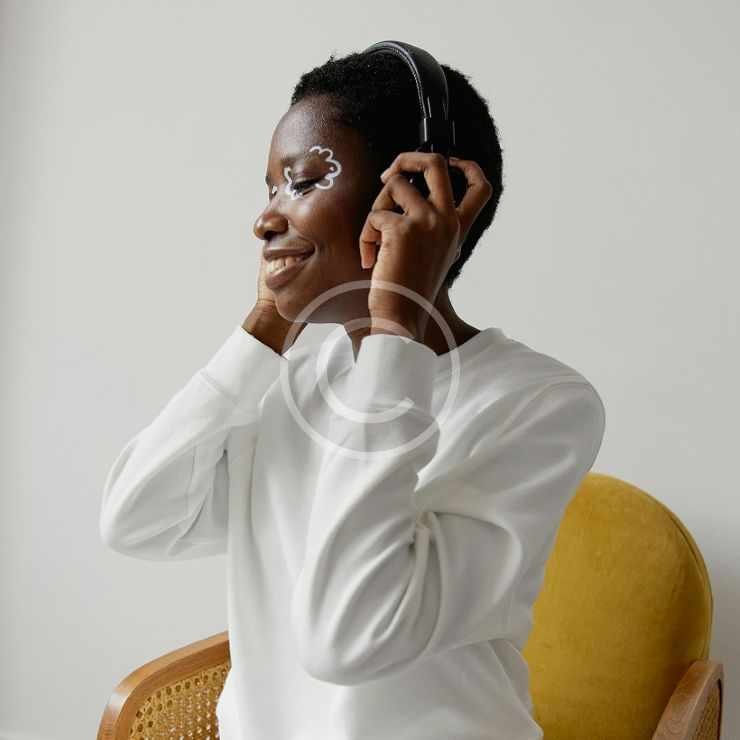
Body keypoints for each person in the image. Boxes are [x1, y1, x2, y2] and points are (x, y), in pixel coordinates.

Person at [99, 49, 605, 740]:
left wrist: (395, 326)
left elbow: (348, 638)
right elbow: (136, 519)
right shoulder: (294, 381)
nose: (265, 220)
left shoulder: (540, 404)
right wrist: (265, 327)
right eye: (270, 189)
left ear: (415, 199)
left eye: (303, 182)